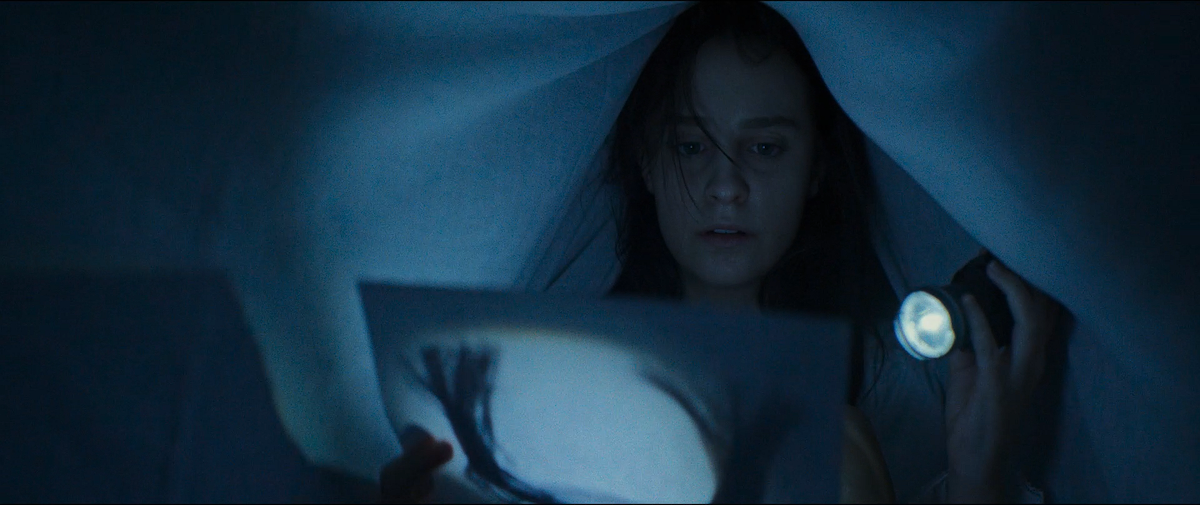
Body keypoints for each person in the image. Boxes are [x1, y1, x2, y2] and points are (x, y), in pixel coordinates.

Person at [379, 2, 1060, 503]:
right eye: (691, 146)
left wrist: (976, 479)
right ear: (648, 159)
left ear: (815, 168)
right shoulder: (549, 379)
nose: (726, 186)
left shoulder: (882, 399)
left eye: (764, 147)